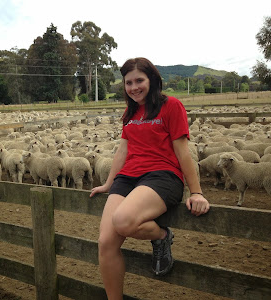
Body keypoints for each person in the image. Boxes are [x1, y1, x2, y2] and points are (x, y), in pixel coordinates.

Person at [89, 57, 210, 300]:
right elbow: (123, 150)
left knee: (122, 220)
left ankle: (162, 236)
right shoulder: (130, 112)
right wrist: (110, 183)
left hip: (162, 176)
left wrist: (196, 191)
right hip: (128, 177)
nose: (134, 87)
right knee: (105, 243)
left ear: (152, 80)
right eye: (128, 82)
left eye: (139, 81)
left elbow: (183, 151)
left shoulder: (171, 106)